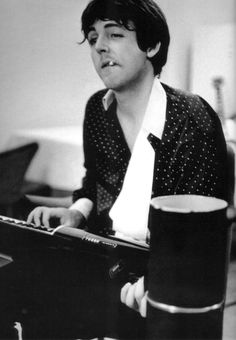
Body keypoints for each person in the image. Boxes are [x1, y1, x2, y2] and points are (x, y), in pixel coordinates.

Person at [27, 0, 228, 338]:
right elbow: (95, 183)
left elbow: (199, 233)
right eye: (92, 39)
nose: (100, 46)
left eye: (115, 33)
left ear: (151, 45)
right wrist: (75, 213)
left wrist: (159, 280)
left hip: (170, 277)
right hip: (107, 261)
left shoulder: (191, 117)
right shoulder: (97, 110)